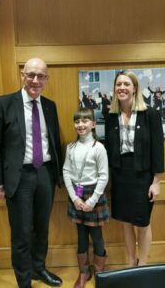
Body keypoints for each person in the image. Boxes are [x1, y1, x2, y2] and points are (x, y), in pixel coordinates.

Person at [0, 58, 63, 288]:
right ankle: (24, 281)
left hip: (45, 174)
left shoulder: (50, 105)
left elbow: (54, 142)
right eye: (31, 75)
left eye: (41, 76)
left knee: (42, 228)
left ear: (47, 79)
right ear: (22, 75)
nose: (35, 80)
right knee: (21, 233)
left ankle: (38, 268)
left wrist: (56, 176)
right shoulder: (3, 103)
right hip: (18, 178)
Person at [105, 70, 164, 267]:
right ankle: (131, 262)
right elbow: (109, 148)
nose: (122, 88)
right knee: (125, 221)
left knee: (142, 222)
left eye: (126, 84)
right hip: (120, 174)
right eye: (118, 84)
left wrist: (156, 182)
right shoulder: (111, 115)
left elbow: (158, 150)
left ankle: (143, 265)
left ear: (135, 88)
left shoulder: (150, 114)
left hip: (143, 175)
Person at [63, 107, 109, 288]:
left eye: (85, 121)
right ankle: (84, 272)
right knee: (81, 235)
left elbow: (104, 176)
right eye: (77, 121)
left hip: (93, 197)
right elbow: (66, 171)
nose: (80, 125)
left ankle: (99, 272)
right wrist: (74, 197)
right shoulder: (71, 147)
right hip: (77, 195)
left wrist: (92, 201)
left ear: (93, 124)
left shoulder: (99, 148)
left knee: (97, 236)